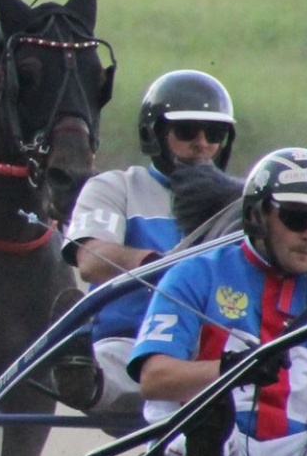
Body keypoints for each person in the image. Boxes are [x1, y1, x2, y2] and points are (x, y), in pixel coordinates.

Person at [126, 147, 307, 456]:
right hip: (204, 442)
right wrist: (233, 370)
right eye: (297, 218)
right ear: (257, 215)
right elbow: (154, 380)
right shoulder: (196, 274)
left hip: (296, 452)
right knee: (207, 436)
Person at [57, 70, 237, 413]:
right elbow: (92, 261)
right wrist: (156, 263)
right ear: (152, 134)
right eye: (186, 132)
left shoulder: (240, 204)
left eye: (214, 133)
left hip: (216, 351)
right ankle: (85, 381)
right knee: (124, 363)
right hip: (131, 342)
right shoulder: (115, 188)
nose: (202, 143)